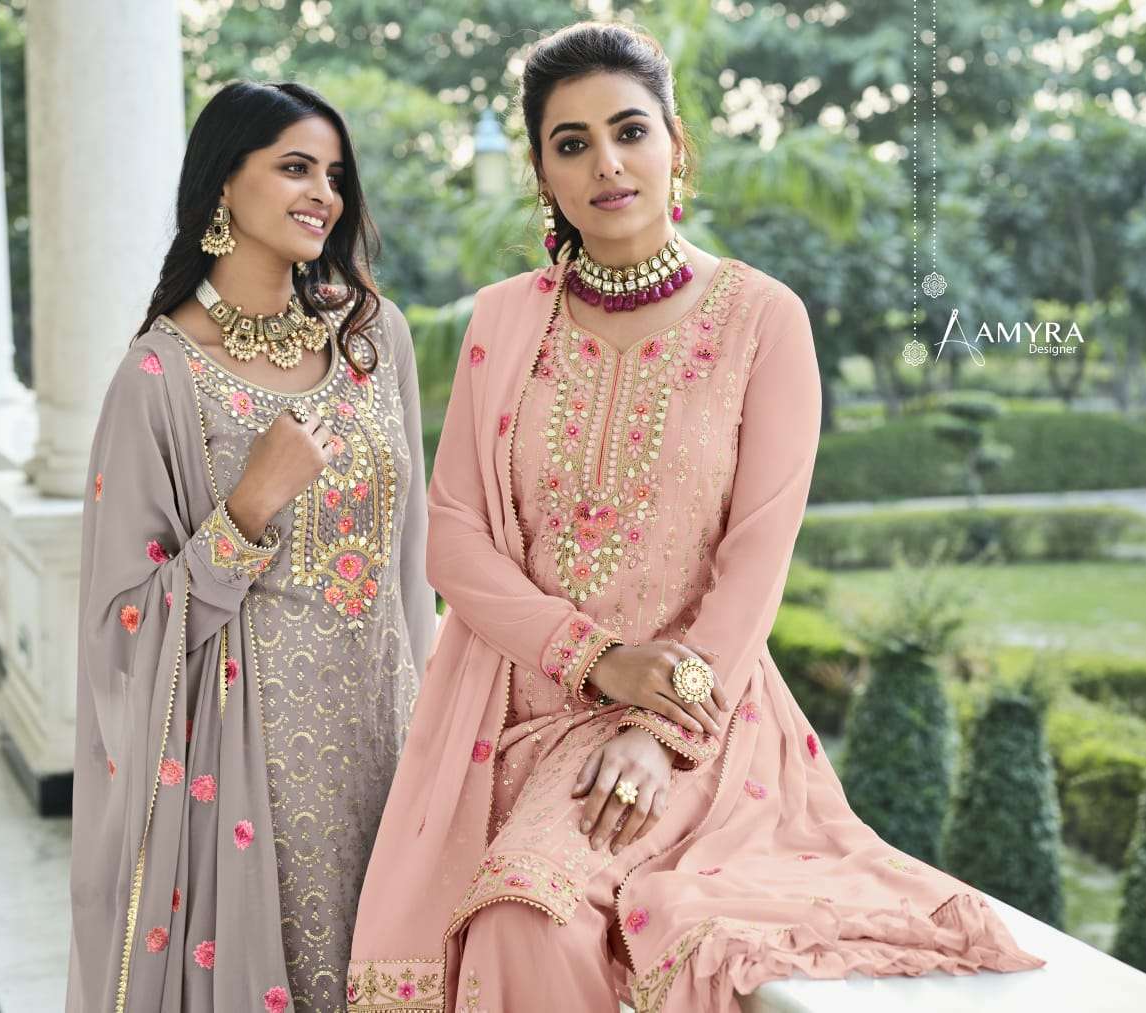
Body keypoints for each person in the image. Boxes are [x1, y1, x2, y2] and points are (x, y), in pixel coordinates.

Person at [346, 23, 1043, 1013]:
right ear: (543, 175)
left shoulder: (763, 319)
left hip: (693, 717)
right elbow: (453, 537)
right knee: (500, 917)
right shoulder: (501, 319)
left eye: (629, 130)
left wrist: (655, 725)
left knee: (526, 913)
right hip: (510, 713)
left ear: (677, 145)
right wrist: (595, 658)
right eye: (572, 143)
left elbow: (755, 560)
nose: (607, 162)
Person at [66, 80, 436, 1013]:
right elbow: (121, 626)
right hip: (248, 767)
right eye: (295, 168)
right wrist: (247, 508)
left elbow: (413, 553)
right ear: (224, 184)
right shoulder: (158, 375)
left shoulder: (372, 338)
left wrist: (432, 718)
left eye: (336, 175)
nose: (324, 195)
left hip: (388, 734)